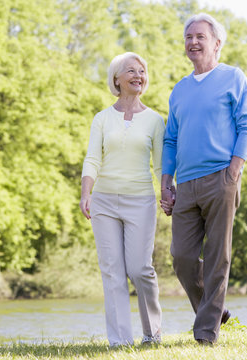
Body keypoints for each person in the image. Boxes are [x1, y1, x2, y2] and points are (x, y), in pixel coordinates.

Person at [160, 13, 247, 345]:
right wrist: (166, 181)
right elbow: (171, 139)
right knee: (182, 257)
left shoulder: (234, 78)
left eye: (200, 36)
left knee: (218, 256)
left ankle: (206, 334)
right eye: (188, 37)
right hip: (185, 184)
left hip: (221, 177)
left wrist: (235, 167)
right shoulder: (180, 90)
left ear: (217, 43)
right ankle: (216, 310)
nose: (193, 42)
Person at [80, 52, 163, 346]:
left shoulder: (155, 120)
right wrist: (86, 192)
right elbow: (93, 158)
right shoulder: (102, 118)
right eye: (131, 71)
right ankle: (119, 341)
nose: (138, 75)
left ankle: (152, 334)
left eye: (142, 71)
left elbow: (160, 165)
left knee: (140, 269)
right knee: (112, 271)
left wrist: (168, 189)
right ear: (117, 79)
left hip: (141, 201)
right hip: (104, 202)